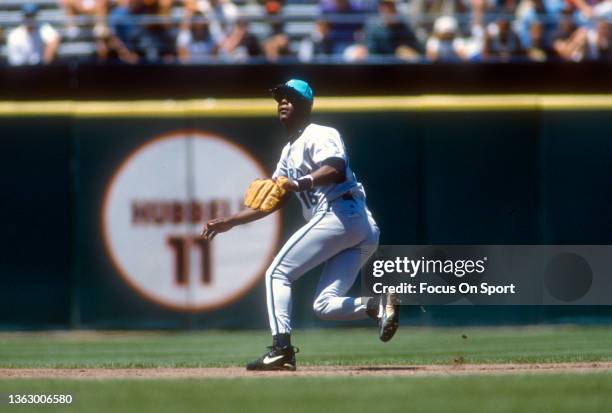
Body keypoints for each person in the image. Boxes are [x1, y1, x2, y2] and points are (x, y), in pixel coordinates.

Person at [201, 79, 399, 371]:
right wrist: (229, 221)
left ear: (306, 105)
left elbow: (335, 166)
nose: (282, 102)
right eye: (279, 97)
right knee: (324, 305)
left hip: (340, 213)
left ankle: (281, 349)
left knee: (276, 274)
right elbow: (273, 199)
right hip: (355, 228)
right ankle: (376, 306)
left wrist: (301, 181)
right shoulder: (287, 152)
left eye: (290, 98)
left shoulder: (320, 133)